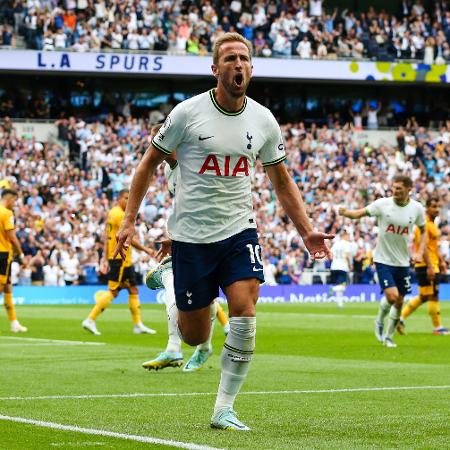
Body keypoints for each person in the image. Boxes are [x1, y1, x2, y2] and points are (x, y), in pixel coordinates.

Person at [114, 32, 332, 430]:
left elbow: (281, 180)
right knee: (195, 337)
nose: (238, 64)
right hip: (192, 237)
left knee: (245, 314)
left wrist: (307, 231)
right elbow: (147, 165)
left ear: (251, 68)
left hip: (239, 232)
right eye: (230, 58)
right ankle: (171, 277)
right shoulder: (187, 113)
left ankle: (223, 409)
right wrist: (129, 219)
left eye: (244, 58)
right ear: (215, 69)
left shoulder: (263, 119)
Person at [141, 153, 231, 372]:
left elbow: (206, 202)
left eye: (161, 139)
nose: (157, 147)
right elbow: (186, 208)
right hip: (194, 236)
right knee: (203, 294)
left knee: (175, 280)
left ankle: (175, 347)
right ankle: (201, 346)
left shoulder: (193, 164)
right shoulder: (168, 170)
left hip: (217, 233)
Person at [339, 175, 431, 348]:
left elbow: (423, 230)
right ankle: (379, 321)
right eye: (394, 187)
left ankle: (389, 336)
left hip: (403, 262)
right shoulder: (383, 204)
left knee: (400, 300)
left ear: (409, 190)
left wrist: (418, 252)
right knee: (392, 295)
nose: (395, 191)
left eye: (399, 189)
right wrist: (346, 213)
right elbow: (360, 213)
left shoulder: (417, 208)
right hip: (383, 259)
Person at [82, 189, 156, 336]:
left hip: (122, 259)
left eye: (130, 198)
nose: (128, 201)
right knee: (113, 291)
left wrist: (104, 257)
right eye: (125, 198)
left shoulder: (112, 213)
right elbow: (129, 238)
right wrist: (146, 250)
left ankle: (138, 325)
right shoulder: (119, 215)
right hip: (119, 260)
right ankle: (90, 320)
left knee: (133, 290)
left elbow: (107, 236)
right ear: (118, 199)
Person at [397, 196, 449, 335]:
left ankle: (400, 318)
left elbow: (433, 247)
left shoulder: (431, 224)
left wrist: (441, 261)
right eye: (433, 206)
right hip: (427, 265)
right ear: (427, 208)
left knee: (424, 296)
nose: (436, 209)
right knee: (433, 295)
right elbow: (423, 246)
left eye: (438, 206)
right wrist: (431, 266)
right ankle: (438, 327)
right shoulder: (424, 224)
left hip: (431, 263)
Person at [0, 189, 27, 333]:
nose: (15, 204)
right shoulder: (6, 213)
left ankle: (14, 323)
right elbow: (12, 237)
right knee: (1, 287)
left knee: (8, 288)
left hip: (3, 254)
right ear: (9, 199)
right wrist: (21, 254)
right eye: (15, 200)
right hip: (3, 254)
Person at [329, 230, 353, 308]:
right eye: (348, 236)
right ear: (344, 236)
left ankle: (340, 304)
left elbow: (330, 254)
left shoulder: (336, 243)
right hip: (342, 267)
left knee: (340, 287)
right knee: (343, 286)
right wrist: (350, 264)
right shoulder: (347, 244)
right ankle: (332, 289)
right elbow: (347, 255)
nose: (349, 238)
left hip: (334, 266)